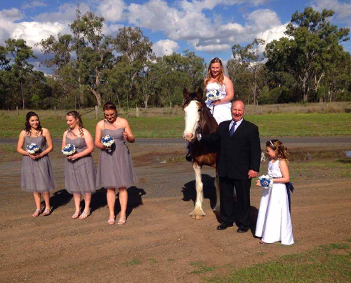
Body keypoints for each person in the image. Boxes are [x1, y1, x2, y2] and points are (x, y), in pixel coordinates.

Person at [198, 100, 261, 232]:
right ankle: (226, 220)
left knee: (243, 198)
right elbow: (214, 138)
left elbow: (255, 151)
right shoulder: (223, 126)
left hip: (242, 171)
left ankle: (244, 223)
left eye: (239, 110)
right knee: (226, 196)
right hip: (225, 169)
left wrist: (254, 169)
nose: (237, 113)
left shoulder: (251, 128)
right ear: (231, 110)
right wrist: (199, 137)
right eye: (235, 110)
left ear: (243, 112)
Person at [95, 102, 137, 225]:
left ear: (116, 112)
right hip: (107, 155)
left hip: (121, 154)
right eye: (107, 115)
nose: (109, 117)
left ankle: (123, 213)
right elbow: (96, 142)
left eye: (111, 114)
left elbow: (132, 139)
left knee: (122, 186)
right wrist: (104, 146)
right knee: (110, 186)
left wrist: (127, 136)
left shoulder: (123, 122)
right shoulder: (100, 125)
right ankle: (112, 213)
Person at [255, 140, 294, 245]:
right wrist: (264, 182)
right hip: (270, 189)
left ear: (275, 151)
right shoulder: (271, 161)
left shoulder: (281, 162)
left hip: (278, 190)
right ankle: (265, 231)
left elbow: (286, 179)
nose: (267, 152)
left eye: (268, 151)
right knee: (267, 209)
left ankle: (271, 236)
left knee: (274, 211)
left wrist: (269, 181)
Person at [17, 111, 55, 217]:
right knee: (34, 185)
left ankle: (47, 207)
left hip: (42, 159)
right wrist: (28, 154)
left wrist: (41, 154)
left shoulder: (45, 131)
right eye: (32, 120)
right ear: (28, 122)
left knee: (43, 183)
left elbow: (51, 147)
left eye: (37, 120)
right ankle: (38, 208)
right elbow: (19, 148)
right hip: (29, 161)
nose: (35, 122)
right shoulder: (24, 133)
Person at [62, 111, 96, 220]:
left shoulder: (84, 132)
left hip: (84, 161)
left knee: (86, 185)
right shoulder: (66, 133)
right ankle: (77, 209)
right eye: (67, 120)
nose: (68, 122)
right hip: (71, 163)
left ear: (77, 119)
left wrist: (77, 155)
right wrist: (67, 152)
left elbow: (91, 148)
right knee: (75, 186)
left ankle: (86, 208)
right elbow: (63, 147)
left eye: (70, 120)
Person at [204, 57, 234, 125]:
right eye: (213, 67)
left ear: (221, 68)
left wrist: (219, 101)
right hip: (209, 105)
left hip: (222, 105)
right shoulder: (206, 80)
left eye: (217, 68)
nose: (215, 70)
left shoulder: (226, 80)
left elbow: (230, 95)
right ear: (210, 68)